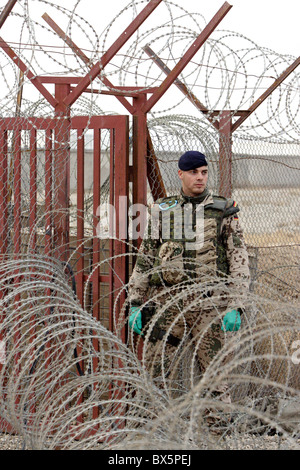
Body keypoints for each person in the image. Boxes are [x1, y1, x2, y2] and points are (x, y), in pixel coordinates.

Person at [127, 150, 250, 431]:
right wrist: (135, 300)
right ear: (181, 174)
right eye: (194, 172)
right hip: (170, 305)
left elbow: (238, 260)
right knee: (156, 370)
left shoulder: (223, 209)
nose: (200, 177)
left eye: (204, 172)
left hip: (210, 305)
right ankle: (154, 431)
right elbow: (146, 257)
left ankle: (218, 434)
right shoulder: (162, 210)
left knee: (215, 377)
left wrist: (236, 304)